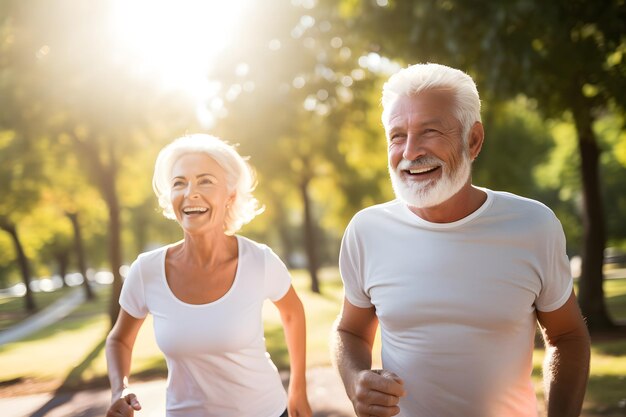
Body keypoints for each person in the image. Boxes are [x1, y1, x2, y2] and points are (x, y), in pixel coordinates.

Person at [331, 63, 591, 417]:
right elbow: (350, 330)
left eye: (429, 131)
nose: (409, 152)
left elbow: (567, 337)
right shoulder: (366, 230)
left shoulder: (534, 225)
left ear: (473, 140)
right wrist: (354, 378)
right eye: (397, 135)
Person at [105, 134, 312, 417]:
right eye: (179, 183)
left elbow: (292, 314)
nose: (191, 193)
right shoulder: (146, 271)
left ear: (230, 195)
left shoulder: (259, 261)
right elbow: (119, 340)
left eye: (205, 180)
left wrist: (298, 387)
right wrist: (119, 389)